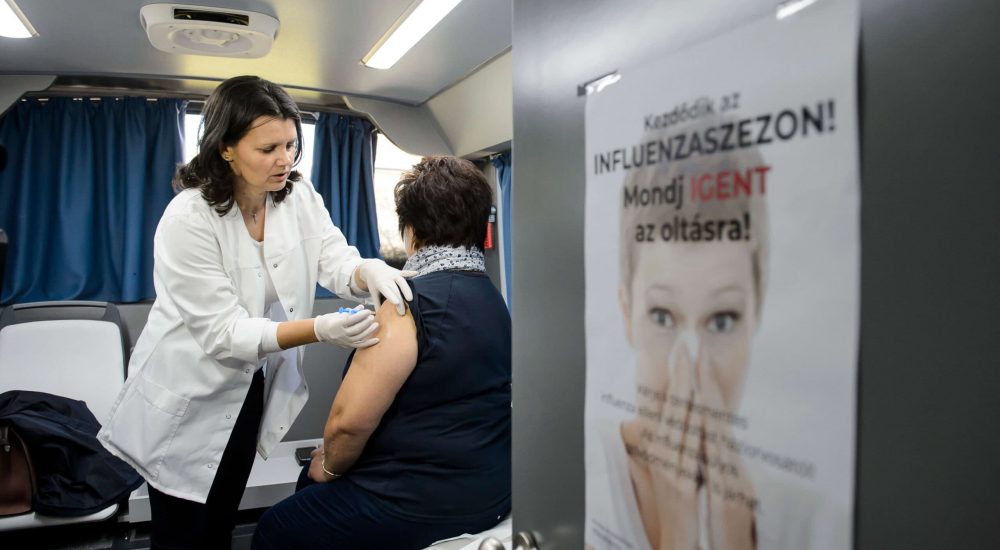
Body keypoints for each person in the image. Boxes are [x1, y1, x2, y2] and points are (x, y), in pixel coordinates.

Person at [97, 75, 413, 549]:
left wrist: (367, 270)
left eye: (291, 145)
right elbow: (224, 333)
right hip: (186, 394)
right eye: (268, 149)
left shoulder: (298, 197)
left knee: (221, 521)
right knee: (182, 535)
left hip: (247, 389)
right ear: (225, 148)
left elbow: (333, 258)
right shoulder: (188, 218)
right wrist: (319, 329)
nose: (285, 160)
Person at [252, 156, 512, 549]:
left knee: (278, 525)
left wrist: (328, 467)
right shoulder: (494, 299)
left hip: (417, 501)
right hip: (490, 492)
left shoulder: (408, 303)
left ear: (412, 231)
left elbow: (347, 424)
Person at [588, 128, 770, 550]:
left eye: (721, 320)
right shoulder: (590, 467)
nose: (689, 366)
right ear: (627, 313)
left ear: (756, 313)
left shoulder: (811, 518)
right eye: (663, 316)